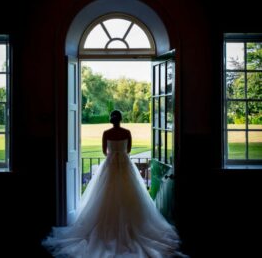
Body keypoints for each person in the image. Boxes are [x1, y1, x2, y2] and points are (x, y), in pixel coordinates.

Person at [42, 110, 188, 257]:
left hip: (110, 165)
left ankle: (104, 231)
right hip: (125, 165)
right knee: (129, 196)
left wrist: (113, 153)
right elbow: (129, 150)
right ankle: (134, 229)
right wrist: (121, 153)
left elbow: (104, 151)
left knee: (104, 194)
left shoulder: (106, 133)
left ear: (111, 120)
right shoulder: (127, 132)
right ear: (121, 119)